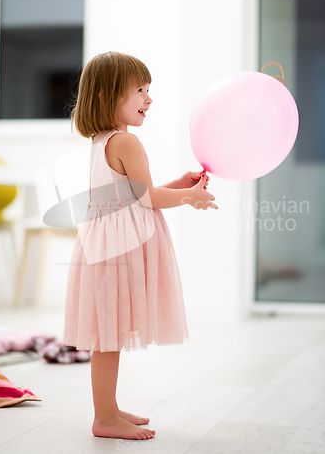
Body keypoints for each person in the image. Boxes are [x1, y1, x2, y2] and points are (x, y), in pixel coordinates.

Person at [62, 51, 218, 441]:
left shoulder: (104, 140)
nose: (149, 99)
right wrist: (189, 198)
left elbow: (131, 194)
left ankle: (110, 409)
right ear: (105, 98)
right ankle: (104, 418)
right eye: (140, 90)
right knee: (109, 336)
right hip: (120, 250)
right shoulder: (126, 143)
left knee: (108, 335)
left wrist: (178, 185)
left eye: (149, 90)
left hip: (105, 244)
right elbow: (145, 198)